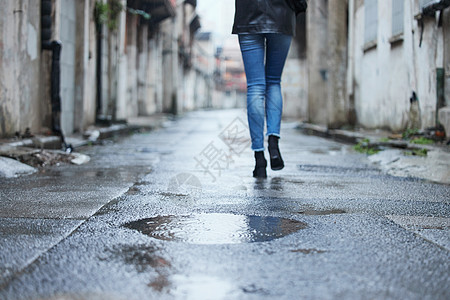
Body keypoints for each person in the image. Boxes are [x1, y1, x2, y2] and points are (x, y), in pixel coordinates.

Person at [232, 0, 296, 178]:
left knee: (255, 86)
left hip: (247, 16)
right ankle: (274, 145)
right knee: (274, 82)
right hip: (282, 14)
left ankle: (259, 158)